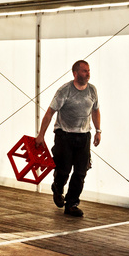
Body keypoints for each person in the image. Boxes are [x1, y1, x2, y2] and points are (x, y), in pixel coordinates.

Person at [36, 59, 100, 217]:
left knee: (81, 172)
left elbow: (95, 110)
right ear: (75, 73)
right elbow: (50, 113)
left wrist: (98, 131)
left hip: (84, 136)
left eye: (89, 70)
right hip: (64, 135)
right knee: (63, 169)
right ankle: (57, 188)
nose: (88, 74)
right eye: (84, 71)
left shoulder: (92, 90)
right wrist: (41, 135)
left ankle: (72, 204)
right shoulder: (65, 91)